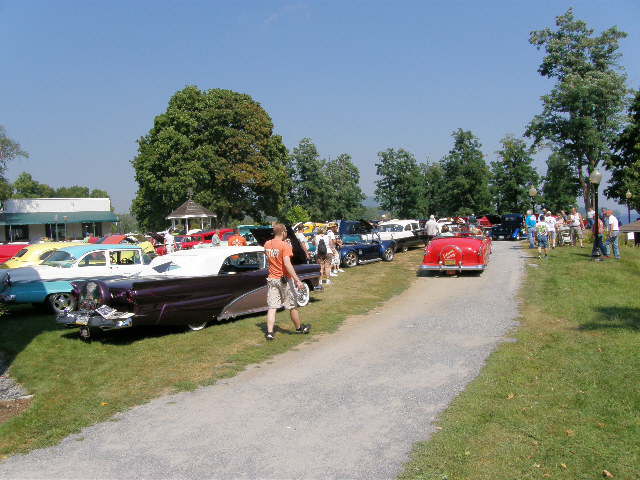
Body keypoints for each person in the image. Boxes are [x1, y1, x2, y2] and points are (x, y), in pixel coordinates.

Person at [263, 223, 310, 341]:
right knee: (292, 305)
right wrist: (297, 280)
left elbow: (270, 260)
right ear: (283, 232)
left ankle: (269, 333)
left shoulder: (267, 244)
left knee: (272, 307)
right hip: (284, 279)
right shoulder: (285, 245)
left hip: (272, 278)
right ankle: (299, 328)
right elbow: (287, 264)